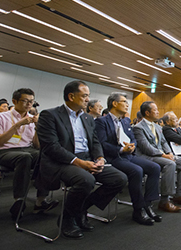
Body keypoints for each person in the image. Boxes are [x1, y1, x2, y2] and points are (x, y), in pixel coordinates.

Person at [37, 81, 127, 239]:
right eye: (85, 96)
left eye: (88, 96)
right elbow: (51, 147)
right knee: (86, 180)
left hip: (87, 159)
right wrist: (79, 163)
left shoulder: (87, 118)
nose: (88, 100)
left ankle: (80, 209)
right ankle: (67, 218)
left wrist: (99, 158)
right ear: (71, 96)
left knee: (119, 179)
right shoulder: (50, 115)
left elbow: (95, 142)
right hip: (61, 162)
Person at [95, 92, 161, 225]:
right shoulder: (101, 122)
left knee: (155, 168)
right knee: (136, 171)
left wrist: (132, 146)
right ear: (114, 103)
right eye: (124, 101)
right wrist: (120, 149)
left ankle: (147, 204)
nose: (127, 104)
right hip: (114, 157)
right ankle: (138, 210)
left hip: (128, 155)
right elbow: (102, 143)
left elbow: (132, 138)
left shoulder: (125, 120)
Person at [0, 88, 58, 219]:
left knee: (46, 155)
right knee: (25, 157)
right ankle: (19, 200)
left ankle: (40, 200)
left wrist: (37, 129)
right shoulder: (0, 117)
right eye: (25, 101)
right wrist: (16, 125)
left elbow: (36, 145)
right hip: (3, 151)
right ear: (14, 101)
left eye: (31, 101)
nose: (29, 104)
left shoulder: (31, 119)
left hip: (27, 150)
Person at [133, 102, 181, 212]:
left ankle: (179, 194)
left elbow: (164, 142)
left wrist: (169, 153)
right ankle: (165, 200)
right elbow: (146, 147)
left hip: (162, 155)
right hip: (147, 156)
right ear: (147, 112)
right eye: (155, 110)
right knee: (170, 164)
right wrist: (163, 155)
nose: (158, 112)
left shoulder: (157, 126)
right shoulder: (138, 128)